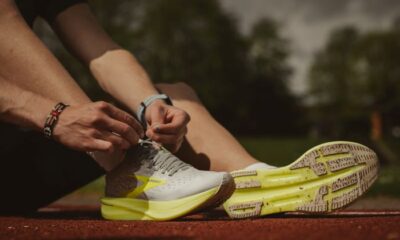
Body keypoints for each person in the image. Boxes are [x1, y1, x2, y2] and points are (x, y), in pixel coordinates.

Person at [0, 0, 379, 220]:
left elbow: (104, 51)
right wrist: (52, 115)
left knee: (175, 94)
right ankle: (136, 172)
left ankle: (250, 179)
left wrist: (152, 104)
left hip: (29, 157)